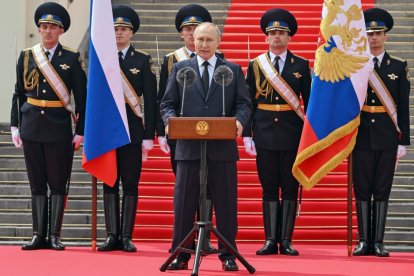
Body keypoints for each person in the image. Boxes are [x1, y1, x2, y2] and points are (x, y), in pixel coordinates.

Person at [161, 22, 251, 271]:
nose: (203, 44)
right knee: (184, 202)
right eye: (199, 39)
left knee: (225, 202)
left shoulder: (231, 70)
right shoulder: (181, 69)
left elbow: (243, 104)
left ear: (218, 42)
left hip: (222, 148)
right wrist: (169, 121)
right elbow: (167, 103)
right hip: (189, 147)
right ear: (192, 40)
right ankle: (181, 253)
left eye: (208, 40)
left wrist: (239, 123)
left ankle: (228, 254)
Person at [10, 2, 86, 250]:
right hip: (31, 125)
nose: (48, 31)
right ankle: (37, 235)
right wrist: (15, 125)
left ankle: (54, 234)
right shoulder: (27, 56)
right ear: (39, 29)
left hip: (58, 127)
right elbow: (18, 93)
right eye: (44, 26)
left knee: (57, 181)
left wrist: (81, 130)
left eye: (53, 27)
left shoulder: (71, 58)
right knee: (36, 182)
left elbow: (82, 97)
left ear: (61, 31)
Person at [242, 8, 311, 256]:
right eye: (272, 33)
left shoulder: (301, 65)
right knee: (269, 186)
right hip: (264, 131)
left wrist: (309, 136)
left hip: (292, 132)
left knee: (290, 187)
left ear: (289, 37)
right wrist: (247, 134)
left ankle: (286, 240)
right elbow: (247, 100)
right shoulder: (256, 65)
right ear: (266, 37)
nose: (277, 37)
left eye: (282, 33)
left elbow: (310, 102)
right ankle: (271, 239)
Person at [156, 3, 216, 252]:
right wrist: (162, 131)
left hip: (212, 135)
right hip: (181, 136)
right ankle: (185, 239)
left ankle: (206, 236)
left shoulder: (220, 63)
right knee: (185, 187)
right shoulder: (173, 61)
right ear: (181, 34)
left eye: (196, 28)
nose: (192, 34)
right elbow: (164, 98)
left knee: (209, 186)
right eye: (188, 29)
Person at [97, 4, 157, 252]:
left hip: (132, 129)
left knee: (130, 183)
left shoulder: (142, 60)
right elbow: (95, 98)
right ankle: (112, 234)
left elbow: (151, 100)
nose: (119, 33)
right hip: (107, 130)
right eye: (115, 29)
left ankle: (126, 236)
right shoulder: (102, 58)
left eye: (123, 29)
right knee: (109, 181)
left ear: (131, 33)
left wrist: (149, 135)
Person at [352, 8, 410, 257]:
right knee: (362, 188)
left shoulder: (398, 66)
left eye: (378, 33)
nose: (373, 38)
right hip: (361, 135)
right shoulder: (355, 65)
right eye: (369, 34)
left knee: (382, 188)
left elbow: (404, 106)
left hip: (387, 135)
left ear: (386, 36)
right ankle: (364, 240)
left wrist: (403, 140)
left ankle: (379, 242)